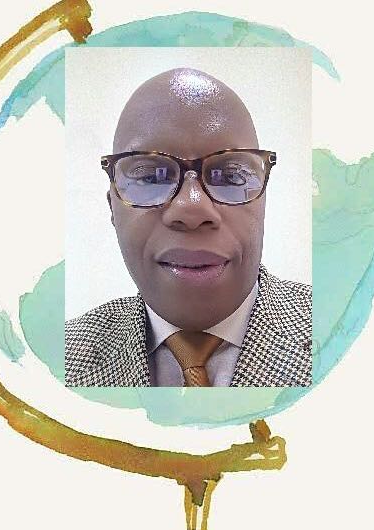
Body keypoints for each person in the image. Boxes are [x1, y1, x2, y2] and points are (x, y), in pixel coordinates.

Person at [65, 68, 311, 387]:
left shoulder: (341, 334)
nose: (192, 208)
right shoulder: (54, 363)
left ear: (263, 201)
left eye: (230, 176)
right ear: (113, 206)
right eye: (150, 177)